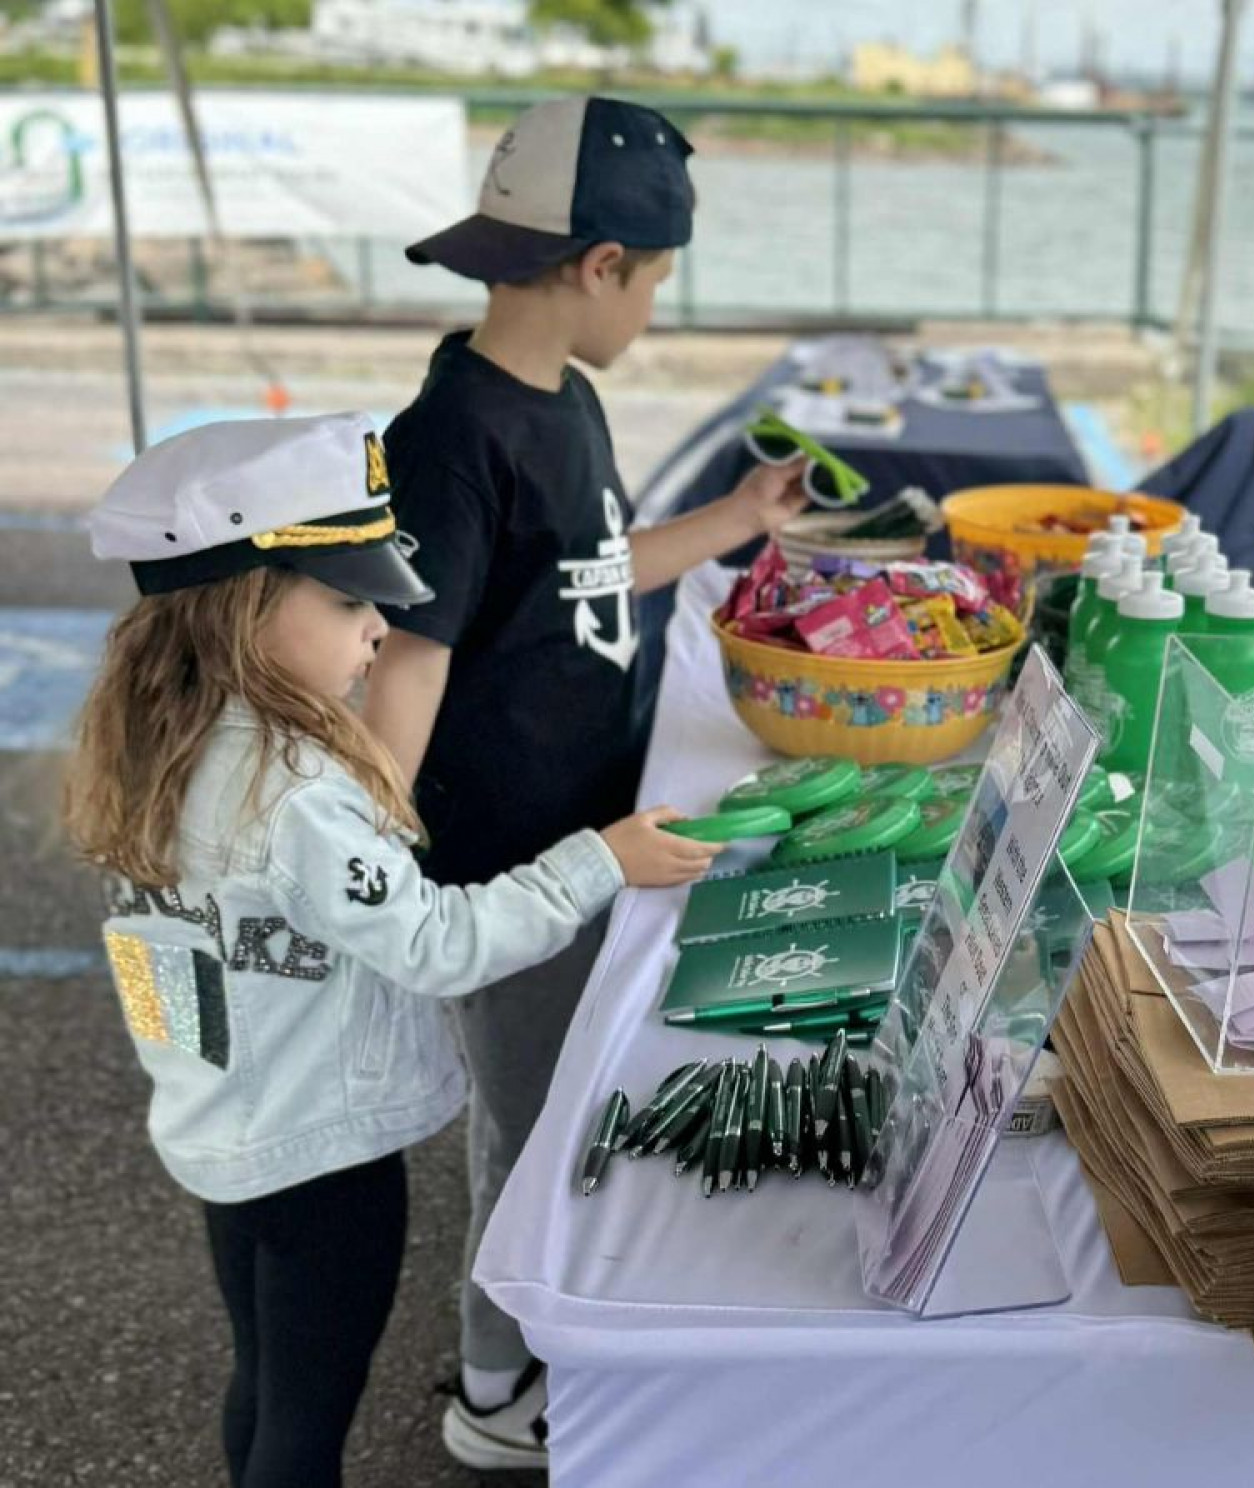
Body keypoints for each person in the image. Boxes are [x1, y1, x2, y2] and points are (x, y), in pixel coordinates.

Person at [66, 414, 725, 1488]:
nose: (380, 627)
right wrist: (598, 862)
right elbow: (438, 946)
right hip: (324, 1157)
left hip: (227, 1136)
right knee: (308, 1422)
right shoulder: (295, 792)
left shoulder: (158, 742)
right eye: (346, 600)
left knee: (267, 1382)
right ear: (241, 611)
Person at [362, 95, 809, 1468]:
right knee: (527, 1121)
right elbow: (408, 665)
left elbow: (594, 573)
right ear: (600, 264)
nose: (655, 311)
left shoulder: (567, 402)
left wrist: (737, 520)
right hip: (502, 859)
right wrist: (368, 845)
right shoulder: (455, 435)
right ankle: (495, 1393)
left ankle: (547, 1334)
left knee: (564, 1099)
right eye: (657, 280)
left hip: (585, 834)